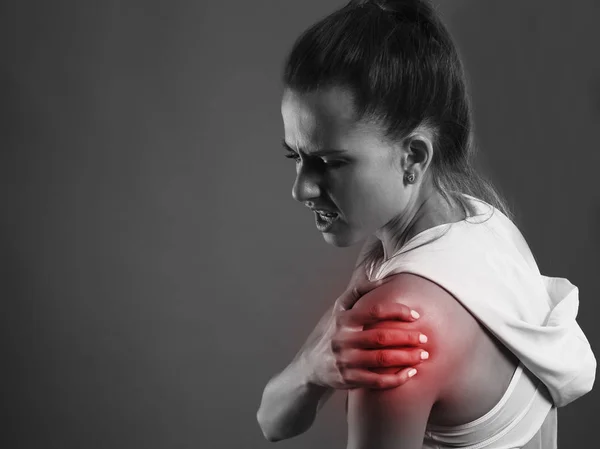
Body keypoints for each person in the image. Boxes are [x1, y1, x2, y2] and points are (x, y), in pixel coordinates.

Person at [256, 1, 596, 448]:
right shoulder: (485, 225)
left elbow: (270, 424)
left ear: (413, 157)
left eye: (328, 162)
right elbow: (274, 420)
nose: (301, 189)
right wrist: (311, 364)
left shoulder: (395, 329)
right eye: (295, 156)